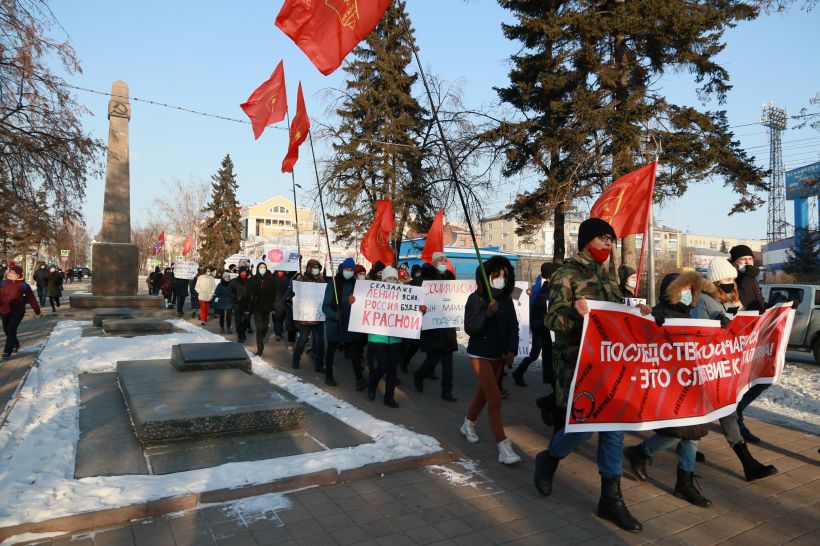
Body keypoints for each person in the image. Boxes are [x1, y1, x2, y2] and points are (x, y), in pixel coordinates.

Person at [533, 218, 651, 533]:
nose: (608, 245)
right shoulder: (565, 276)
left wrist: (637, 314)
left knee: (613, 427)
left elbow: (616, 318)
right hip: (577, 366)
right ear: (586, 242)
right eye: (603, 239)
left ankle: (610, 500)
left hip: (610, 367)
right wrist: (575, 313)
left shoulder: (610, 279)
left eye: (611, 240)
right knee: (583, 427)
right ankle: (549, 459)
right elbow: (552, 320)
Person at [623, 271, 712, 508]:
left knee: (693, 434)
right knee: (676, 433)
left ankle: (684, 480)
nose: (687, 294)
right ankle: (641, 452)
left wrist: (719, 326)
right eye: (683, 288)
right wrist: (651, 323)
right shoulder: (657, 313)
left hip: (690, 384)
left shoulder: (689, 315)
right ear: (670, 290)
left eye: (691, 290)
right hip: (669, 387)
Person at [693, 257, 777, 482]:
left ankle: (748, 464)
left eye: (733, 278)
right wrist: (717, 326)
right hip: (707, 369)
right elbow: (698, 334)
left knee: (724, 413)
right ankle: (646, 452)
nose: (732, 282)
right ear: (716, 279)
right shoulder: (702, 299)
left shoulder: (729, 298)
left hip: (724, 367)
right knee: (696, 420)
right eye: (727, 278)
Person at [460, 255, 522, 465]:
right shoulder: (475, 299)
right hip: (480, 354)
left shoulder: (505, 299)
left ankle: (468, 423)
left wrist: (511, 350)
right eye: (496, 276)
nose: (500, 280)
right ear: (486, 278)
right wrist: (487, 313)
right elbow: (470, 328)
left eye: (504, 276)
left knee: (484, 394)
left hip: (498, 354)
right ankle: (503, 446)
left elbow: (513, 326)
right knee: (494, 397)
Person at [728, 245, 767, 443]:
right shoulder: (734, 278)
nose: (747, 262)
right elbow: (740, 303)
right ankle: (737, 421)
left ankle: (737, 413)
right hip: (738, 339)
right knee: (741, 382)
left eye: (749, 258)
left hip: (755, 337)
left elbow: (757, 304)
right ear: (733, 261)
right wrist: (748, 277)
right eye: (742, 259)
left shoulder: (751, 278)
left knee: (763, 379)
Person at [365, 267, 419, 408]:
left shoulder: (403, 294)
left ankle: (389, 397)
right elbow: (362, 304)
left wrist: (419, 310)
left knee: (392, 367)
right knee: (383, 365)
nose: (392, 281)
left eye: (395, 279)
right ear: (384, 279)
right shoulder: (374, 292)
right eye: (389, 278)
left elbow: (410, 310)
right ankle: (372, 384)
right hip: (377, 335)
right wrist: (354, 300)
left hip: (395, 336)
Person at [413, 261, 457, 402]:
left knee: (448, 364)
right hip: (433, 329)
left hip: (447, 329)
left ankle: (447, 391)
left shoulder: (448, 282)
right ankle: (419, 375)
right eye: (440, 263)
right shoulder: (423, 284)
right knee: (432, 361)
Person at [511, 262, 560, 389]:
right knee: (535, 353)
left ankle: (519, 372)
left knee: (538, 353)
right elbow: (532, 310)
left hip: (544, 327)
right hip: (540, 327)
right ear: (550, 275)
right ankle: (518, 373)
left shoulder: (549, 288)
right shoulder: (541, 290)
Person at [321, 257, 366, 388]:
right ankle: (328, 376)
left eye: (351, 270)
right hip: (335, 323)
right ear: (342, 269)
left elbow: (361, 302)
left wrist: (356, 301)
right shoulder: (333, 284)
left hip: (350, 322)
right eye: (347, 269)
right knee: (331, 349)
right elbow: (325, 306)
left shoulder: (356, 284)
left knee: (354, 351)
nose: (349, 272)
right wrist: (334, 315)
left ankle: (359, 379)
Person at [291, 259, 326, 371]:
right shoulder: (301, 279)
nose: (315, 269)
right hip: (305, 318)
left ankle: (319, 364)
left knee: (320, 342)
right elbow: (292, 294)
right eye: (313, 267)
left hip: (318, 317)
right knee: (303, 339)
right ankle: (296, 358)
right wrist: (292, 295)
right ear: (309, 268)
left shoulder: (321, 281)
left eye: (317, 267)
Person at [0, 265, 41, 358]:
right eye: (9, 272)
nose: (9, 273)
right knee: (7, 330)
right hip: (4, 310)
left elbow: (31, 298)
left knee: (11, 329)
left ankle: (7, 351)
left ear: (18, 275)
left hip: (17, 312)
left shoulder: (23, 285)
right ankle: (15, 344)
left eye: (12, 272)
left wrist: (36, 310)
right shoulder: (3, 283)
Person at [248, 263, 275, 356]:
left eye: (264, 267)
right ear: (258, 268)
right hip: (257, 308)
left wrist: (272, 303)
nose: (262, 269)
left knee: (265, 328)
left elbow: (273, 293)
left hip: (267, 308)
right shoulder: (253, 279)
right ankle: (260, 347)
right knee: (259, 328)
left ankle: (261, 338)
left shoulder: (270, 280)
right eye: (261, 267)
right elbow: (249, 293)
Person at [230, 267, 252, 342]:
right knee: (238, 320)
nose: (243, 274)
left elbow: (252, 292)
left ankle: (242, 331)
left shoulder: (249, 281)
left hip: (247, 304)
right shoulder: (234, 281)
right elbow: (230, 291)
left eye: (245, 272)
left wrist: (251, 300)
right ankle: (240, 335)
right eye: (242, 272)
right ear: (239, 273)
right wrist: (235, 297)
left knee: (246, 319)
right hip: (238, 304)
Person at [272, 270, 290, 342]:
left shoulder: (287, 277)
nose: (281, 272)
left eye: (282, 270)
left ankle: (279, 329)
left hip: (286, 301)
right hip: (276, 301)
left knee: (282, 318)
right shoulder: (273, 278)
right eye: (279, 270)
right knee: (278, 318)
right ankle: (278, 334)